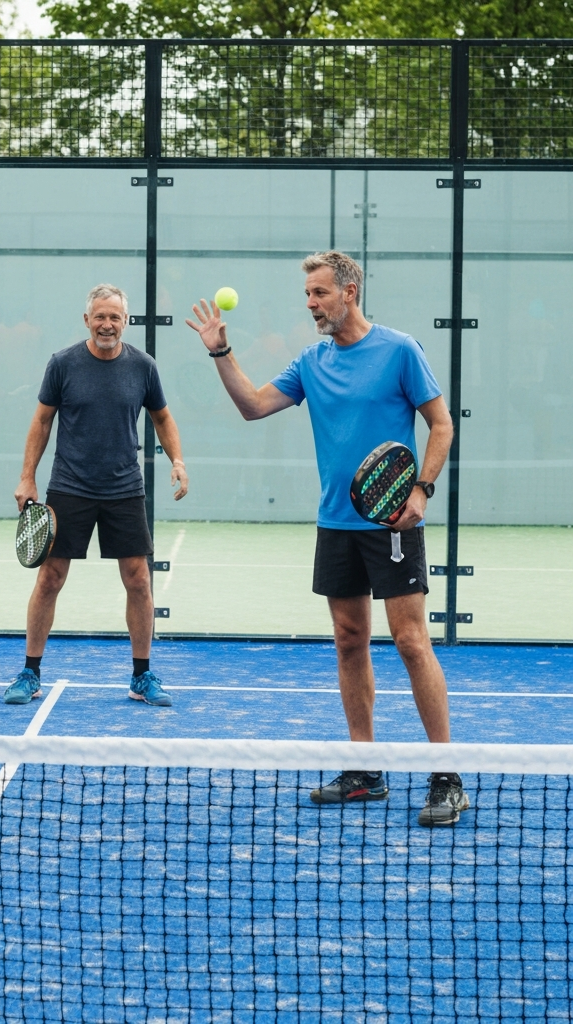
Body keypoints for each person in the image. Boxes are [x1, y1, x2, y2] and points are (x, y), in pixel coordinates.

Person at [187, 251, 468, 827]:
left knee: (412, 642)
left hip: (391, 524)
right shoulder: (311, 362)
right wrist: (221, 350)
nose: (310, 304)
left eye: (319, 293)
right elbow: (254, 406)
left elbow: (442, 424)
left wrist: (421, 492)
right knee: (348, 640)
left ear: (350, 290)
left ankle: (447, 775)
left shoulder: (399, 350)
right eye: (308, 296)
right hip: (336, 522)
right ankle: (364, 770)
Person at [5, 283, 188, 708]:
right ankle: (30, 672)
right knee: (50, 578)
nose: (107, 324)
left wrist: (177, 460)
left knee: (139, 580)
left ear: (126, 321)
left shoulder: (143, 367)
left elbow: (162, 416)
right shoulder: (63, 364)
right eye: (100, 317)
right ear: (87, 320)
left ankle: (141, 677)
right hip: (69, 486)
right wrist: (27, 477)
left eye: (115, 317)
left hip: (124, 489)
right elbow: (41, 421)